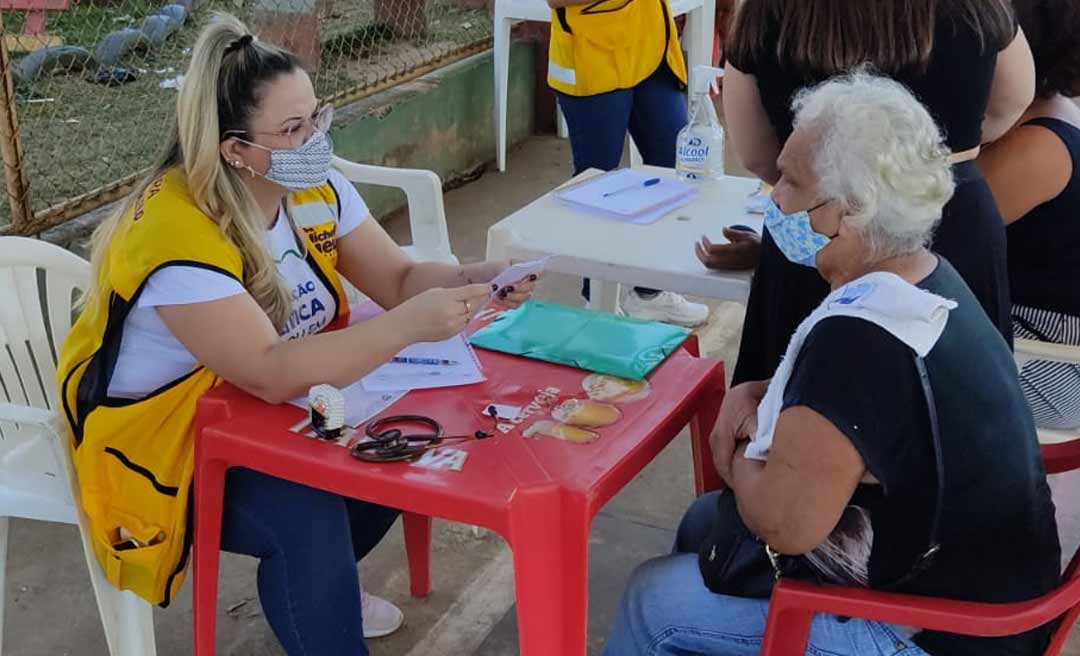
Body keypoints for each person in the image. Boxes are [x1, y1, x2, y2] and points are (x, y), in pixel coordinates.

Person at [55, 15, 536, 656]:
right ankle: (319, 593)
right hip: (163, 440)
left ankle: (317, 588)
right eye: (291, 129)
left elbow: (396, 277)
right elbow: (270, 369)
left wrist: (479, 275)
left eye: (316, 117)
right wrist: (406, 328)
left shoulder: (306, 183)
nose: (315, 140)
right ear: (234, 149)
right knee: (306, 518)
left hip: (257, 409)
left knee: (402, 449)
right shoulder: (177, 235)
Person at [605, 72, 1060, 656]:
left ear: (850, 210)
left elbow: (782, 523)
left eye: (790, 182)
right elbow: (867, 411)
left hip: (947, 631)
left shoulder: (860, 340)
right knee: (702, 522)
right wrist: (765, 394)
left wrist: (740, 445)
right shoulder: (923, 274)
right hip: (988, 583)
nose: (772, 196)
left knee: (652, 602)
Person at [697, 0, 1034, 384]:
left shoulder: (764, 10)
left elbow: (757, 153)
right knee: (958, 408)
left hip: (820, 221)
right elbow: (1012, 100)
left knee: (799, 411)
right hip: (944, 213)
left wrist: (827, 177)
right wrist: (915, 163)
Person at [547, 0, 709, 327]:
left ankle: (650, 293)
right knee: (597, 184)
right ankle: (597, 299)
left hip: (651, 49)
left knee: (673, 168)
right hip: (593, 54)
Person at [977, 0, 1080, 431]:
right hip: (1023, 335)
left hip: (1049, 361)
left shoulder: (1038, 145)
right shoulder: (1039, 115)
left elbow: (913, 235)